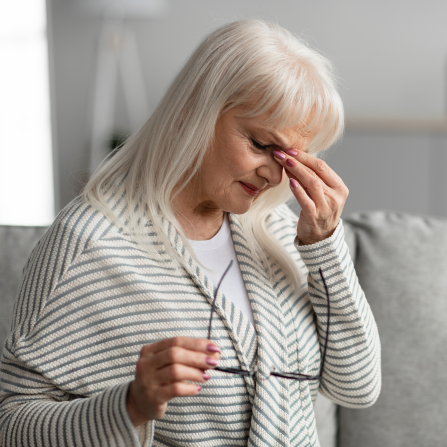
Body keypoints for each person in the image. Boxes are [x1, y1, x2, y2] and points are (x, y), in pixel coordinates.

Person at [0, 19, 380, 447]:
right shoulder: (87, 246)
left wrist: (326, 247)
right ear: (193, 110)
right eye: (259, 144)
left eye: (291, 157)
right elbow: (12, 425)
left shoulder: (277, 232)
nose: (275, 175)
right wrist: (130, 406)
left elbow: (358, 387)